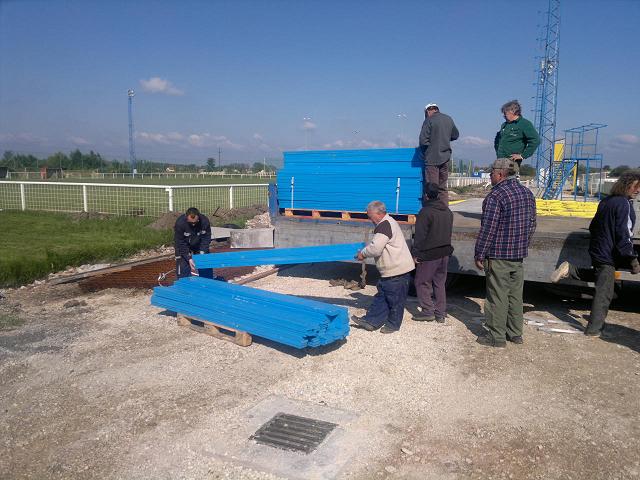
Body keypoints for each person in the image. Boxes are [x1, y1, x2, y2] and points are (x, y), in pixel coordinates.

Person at [550, 172, 640, 336]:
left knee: (603, 278)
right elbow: (624, 233)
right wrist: (631, 257)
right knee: (604, 292)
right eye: (636, 187)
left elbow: (593, 226)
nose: (638, 190)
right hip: (608, 253)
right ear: (627, 185)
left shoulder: (606, 201)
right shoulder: (623, 204)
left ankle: (570, 270)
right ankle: (593, 329)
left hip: (599, 249)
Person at [474, 158, 537, 348]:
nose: (490, 176)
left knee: (497, 296)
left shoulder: (495, 196)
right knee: (515, 296)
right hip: (518, 256)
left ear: (500, 174)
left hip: (498, 256)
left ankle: (496, 336)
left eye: (492, 173)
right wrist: (522, 245)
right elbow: (532, 224)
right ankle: (515, 333)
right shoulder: (527, 193)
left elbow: (488, 229)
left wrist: (479, 254)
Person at [351, 201, 415, 333]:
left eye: (370, 216)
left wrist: (362, 253)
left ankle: (393, 325)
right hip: (393, 269)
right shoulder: (387, 222)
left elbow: (376, 248)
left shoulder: (384, 225)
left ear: (379, 213)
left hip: (397, 270)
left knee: (395, 300)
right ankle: (371, 321)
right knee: (383, 295)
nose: (370, 219)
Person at [411, 182, 454, 323]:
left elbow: (420, 236)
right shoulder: (447, 211)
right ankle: (440, 313)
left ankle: (427, 311)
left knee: (421, 282)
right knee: (439, 283)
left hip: (430, 254)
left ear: (425, 195)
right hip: (444, 253)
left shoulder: (425, 212)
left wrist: (416, 254)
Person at [419, 103, 459, 204]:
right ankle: (444, 210)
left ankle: (431, 210)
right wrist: (444, 138)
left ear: (428, 111)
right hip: (445, 158)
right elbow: (455, 135)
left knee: (431, 188)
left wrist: (424, 153)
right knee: (442, 187)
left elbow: (423, 141)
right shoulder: (448, 119)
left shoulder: (429, 120)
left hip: (432, 159)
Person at [494, 100, 540, 170]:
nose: (504, 116)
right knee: (496, 176)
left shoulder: (525, 124)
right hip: (500, 160)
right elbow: (498, 139)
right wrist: (498, 151)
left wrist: (523, 155)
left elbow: (536, 140)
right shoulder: (504, 125)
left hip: (512, 161)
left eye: (505, 114)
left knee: (509, 176)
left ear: (513, 112)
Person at [174, 207, 213, 279]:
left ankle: (206, 281)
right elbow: (180, 242)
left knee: (205, 264)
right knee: (183, 269)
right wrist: (188, 258)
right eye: (191, 223)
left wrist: (203, 251)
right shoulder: (180, 223)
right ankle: (185, 282)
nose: (193, 225)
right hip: (184, 244)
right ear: (186, 218)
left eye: (195, 222)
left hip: (199, 243)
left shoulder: (204, 221)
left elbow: (206, 238)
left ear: (199, 217)